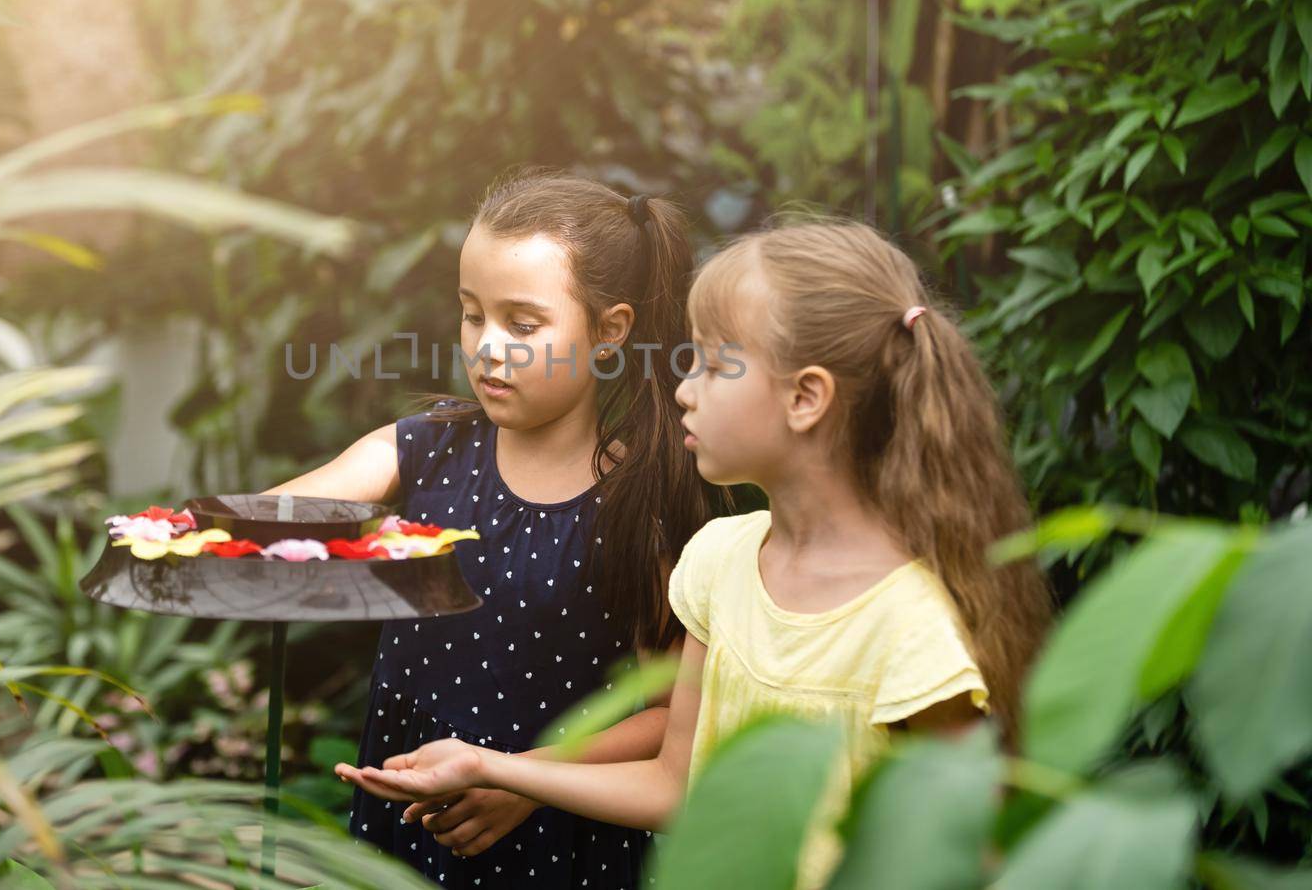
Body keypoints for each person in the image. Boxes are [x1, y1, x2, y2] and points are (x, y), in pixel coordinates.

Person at [337, 216, 1053, 889]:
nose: (682, 390)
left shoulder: (910, 625)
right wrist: (490, 766)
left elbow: (978, 850)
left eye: (714, 365)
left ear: (806, 398)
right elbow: (673, 783)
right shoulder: (719, 560)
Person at [267, 167, 733, 887]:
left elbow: (669, 712)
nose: (487, 345)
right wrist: (184, 531)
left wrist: (526, 779)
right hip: (402, 830)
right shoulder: (422, 448)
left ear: (609, 332)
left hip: (556, 841)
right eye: (472, 313)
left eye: (523, 322)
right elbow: (275, 516)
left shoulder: (639, 499)